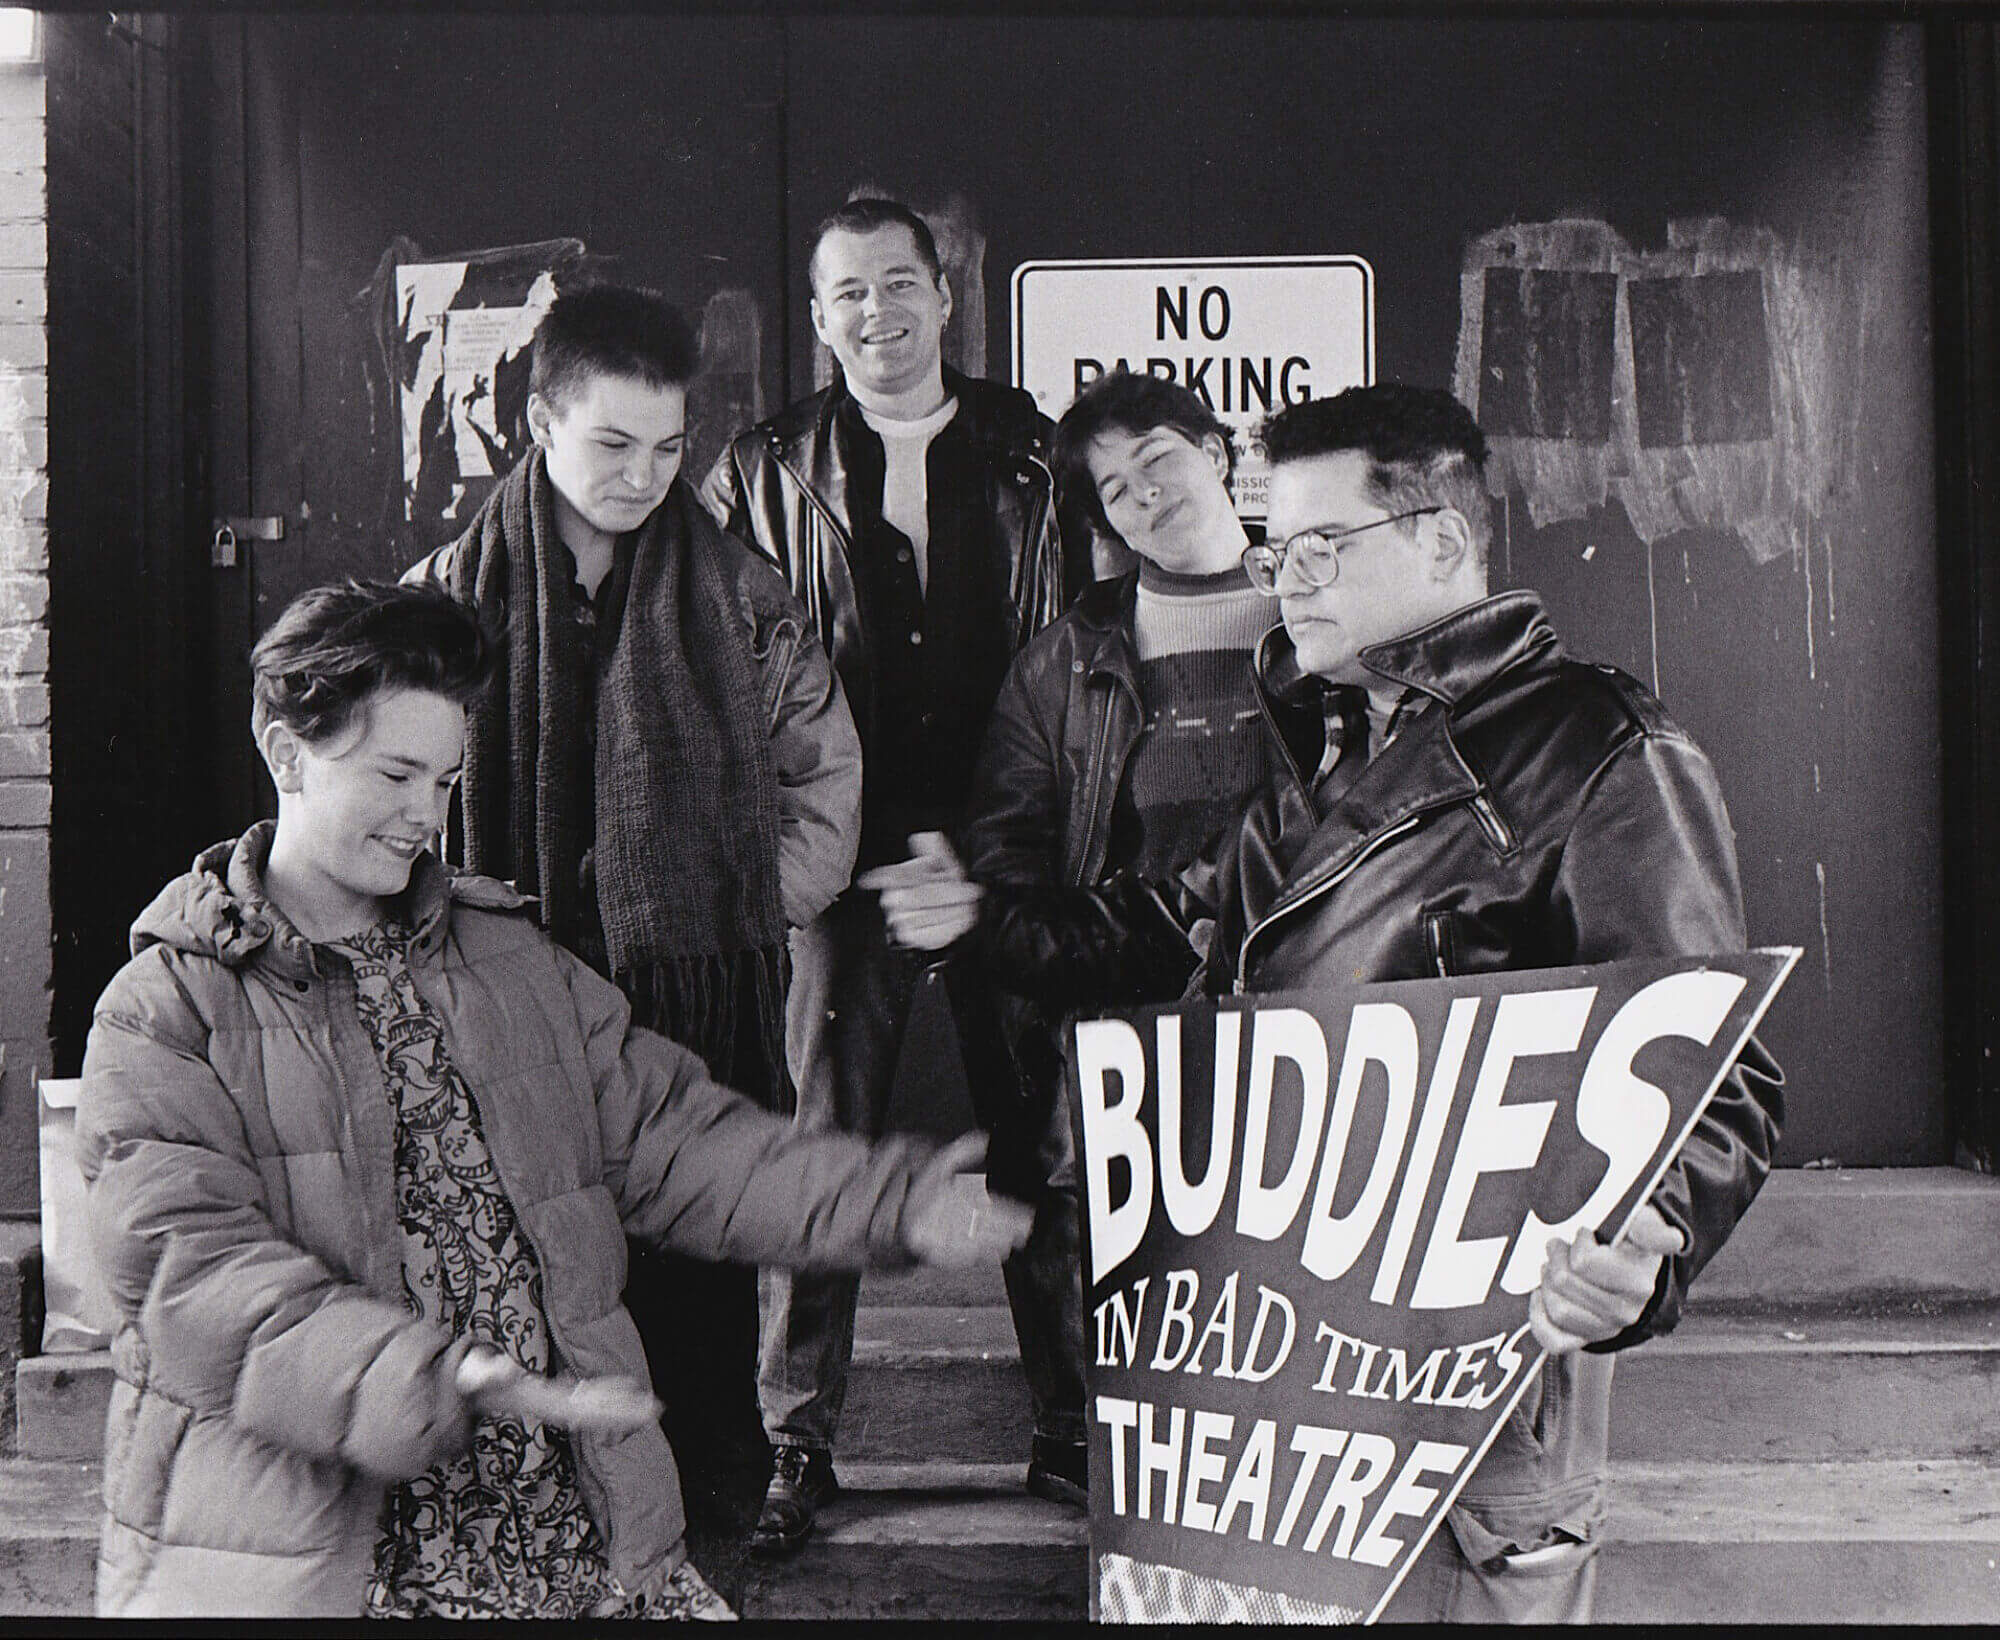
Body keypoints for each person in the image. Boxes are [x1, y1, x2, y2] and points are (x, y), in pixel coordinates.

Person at [868, 384, 1785, 1623]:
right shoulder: (1328, 762)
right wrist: (982, 914)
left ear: (1442, 542)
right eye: (1274, 544)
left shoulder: (1595, 746)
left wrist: (1648, 1240)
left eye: (1318, 548)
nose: (1284, 578)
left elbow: (1711, 1062)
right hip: (1288, 1372)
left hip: (1477, 1388)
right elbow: (1167, 923)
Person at [75, 580, 1028, 1620]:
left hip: (573, 1534)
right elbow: (190, 1274)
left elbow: (682, 1140)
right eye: (394, 771)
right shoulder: (164, 1007)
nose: (423, 814)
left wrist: (882, 1202)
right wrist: (433, 1377)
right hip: (321, 1561)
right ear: (284, 748)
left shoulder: (511, 960)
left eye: (444, 777)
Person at [406, 284, 861, 1532]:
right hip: (508, 1001)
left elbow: (821, 777)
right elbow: (379, 782)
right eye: (612, 443)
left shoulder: (742, 592)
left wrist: (736, 910)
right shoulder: (446, 594)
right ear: (539, 421)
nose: (644, 475)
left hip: (686, 1005)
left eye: (668, 449)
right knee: (521, 1263)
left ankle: (706, 1507)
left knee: (696, 1270)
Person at [700, 196, 1069, 1555]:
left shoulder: (1034, 453)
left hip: (1005, 843)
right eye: (848, 291)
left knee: (1044, 1126)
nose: (877, 311)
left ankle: (1075, 1430)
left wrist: (1035, 846)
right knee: (821, 1140)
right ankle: (796, 1439)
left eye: (899, 283)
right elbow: (718, 663)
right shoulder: (761, 466)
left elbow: (1082, 649)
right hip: (835, 849)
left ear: (944, 294)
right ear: (817, 313)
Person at [906, 371, 1281, 1508]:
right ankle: (1079, 1422)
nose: (1140, 495)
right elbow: (1010, 848)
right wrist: (1023, 946)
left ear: (1217, 450)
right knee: (1105, 1231)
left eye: (1156, 459)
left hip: (1296, 1001)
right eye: (1111, 488)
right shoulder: (1064, 659)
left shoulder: (1320, 615)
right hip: (1122, 1001)